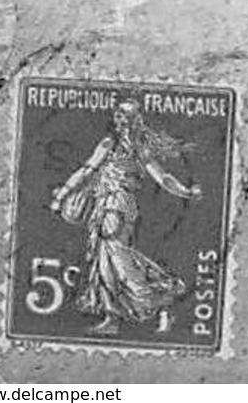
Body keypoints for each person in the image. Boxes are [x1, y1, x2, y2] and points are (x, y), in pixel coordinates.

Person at [49, 100, 201, 335]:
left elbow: (163, 178)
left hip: (119, 205)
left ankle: (162, 296)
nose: (121, 122)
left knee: (117, 257)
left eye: (126, 118)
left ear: (135, 121)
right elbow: (87, 170)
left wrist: (185, 191)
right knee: (105, 262)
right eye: (119, 117)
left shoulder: (140, 149)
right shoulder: (109, 144)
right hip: (103, 206)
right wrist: (64, 194)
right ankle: (113, 317)